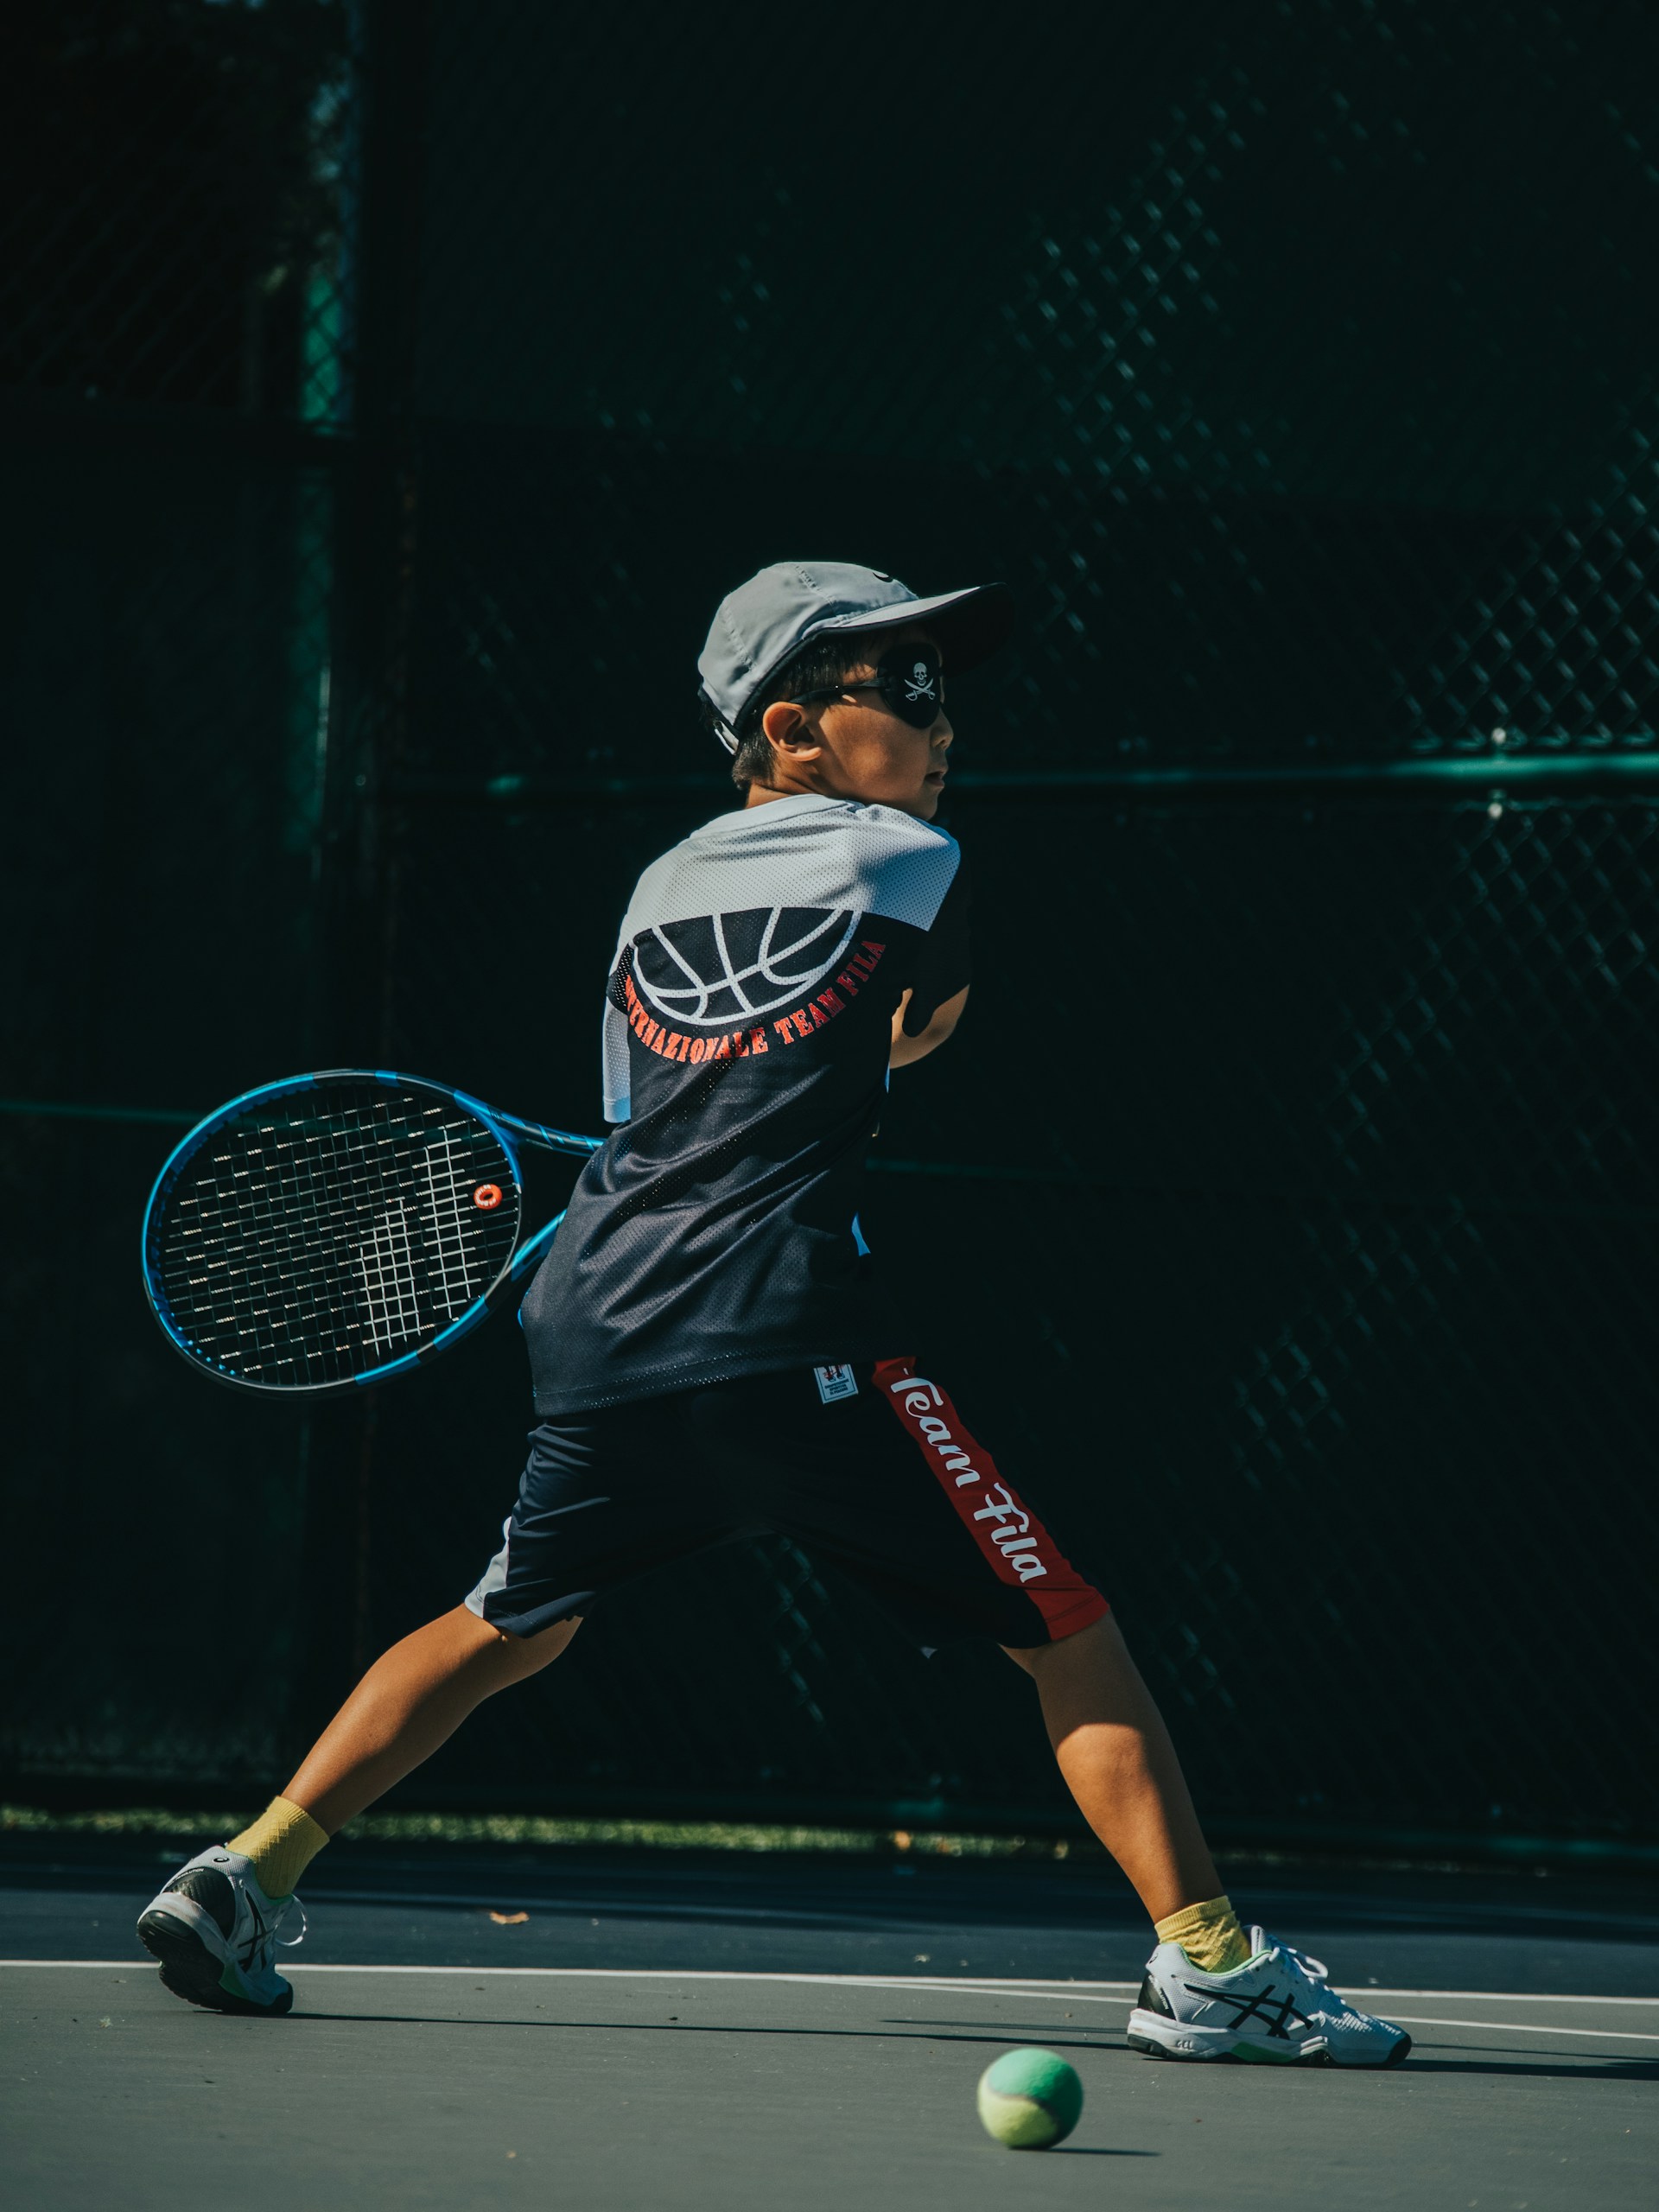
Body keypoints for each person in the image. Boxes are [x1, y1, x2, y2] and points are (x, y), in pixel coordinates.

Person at [137, 559, 1408, 2068]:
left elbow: (645, 1108)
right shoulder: (912, 857)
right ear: (796, 729)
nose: (946, 721)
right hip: (787, 1332)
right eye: (908, 687)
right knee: (1067, 1626)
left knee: (506, 1622)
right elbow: (912, 1033)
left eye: (945, 687)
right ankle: (1210, 1967)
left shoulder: (654, 886)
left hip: (600, 1323)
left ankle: (246, 1873)